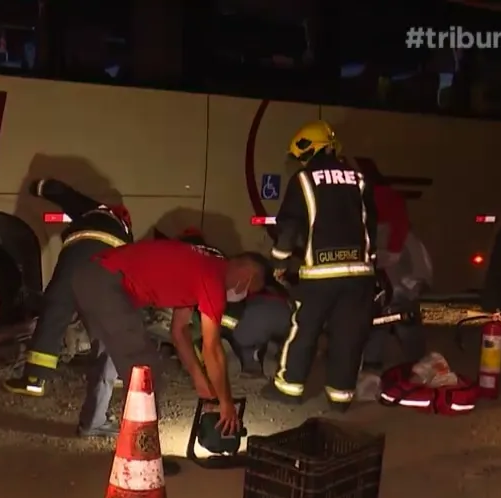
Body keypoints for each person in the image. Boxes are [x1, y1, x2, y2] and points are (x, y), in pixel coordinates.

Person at [70, 239, 268, 438]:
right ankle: (143, 450)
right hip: (107, 282)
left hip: (90, 275)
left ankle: (93, 422)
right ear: (246, 274)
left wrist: (199, 379)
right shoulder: (213, 278)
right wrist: (226, 402)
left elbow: (179, 331)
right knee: (145, 370)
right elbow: (212, 349)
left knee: (110, 354)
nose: (244, 295)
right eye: (249, 290)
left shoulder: (205, 265)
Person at [264, 120, 378, 411]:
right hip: (360, 274)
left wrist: (279, 261)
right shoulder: (358, 179)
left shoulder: (304, 180)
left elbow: (289, 226)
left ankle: (289, 388)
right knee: (348, 335)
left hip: (321, 275)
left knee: (304, 331)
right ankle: (340, 397)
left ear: (309, 150)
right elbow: (370, 224)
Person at [4, 178, 133, 401]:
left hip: (81, 247)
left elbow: (60, 191)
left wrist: (39, 186)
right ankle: (121, 373)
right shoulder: (126, 232)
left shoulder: (97, 210)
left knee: (57, 308)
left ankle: (35, 379)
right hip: (112, 261)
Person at [174, 228, 292, 377]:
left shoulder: (187, 262)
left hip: (241, 320)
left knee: (222, 329)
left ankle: (233, 354)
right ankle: (255, 354)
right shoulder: (214, 258)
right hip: (273, 313)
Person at [359, 184, 433, 394]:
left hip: (399, 277)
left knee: (401, 315)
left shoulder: (393, 228)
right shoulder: (383, 217)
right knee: (382, 315)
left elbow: (410, 260)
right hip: (389, 279)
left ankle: (415, 363)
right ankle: (375, 366)